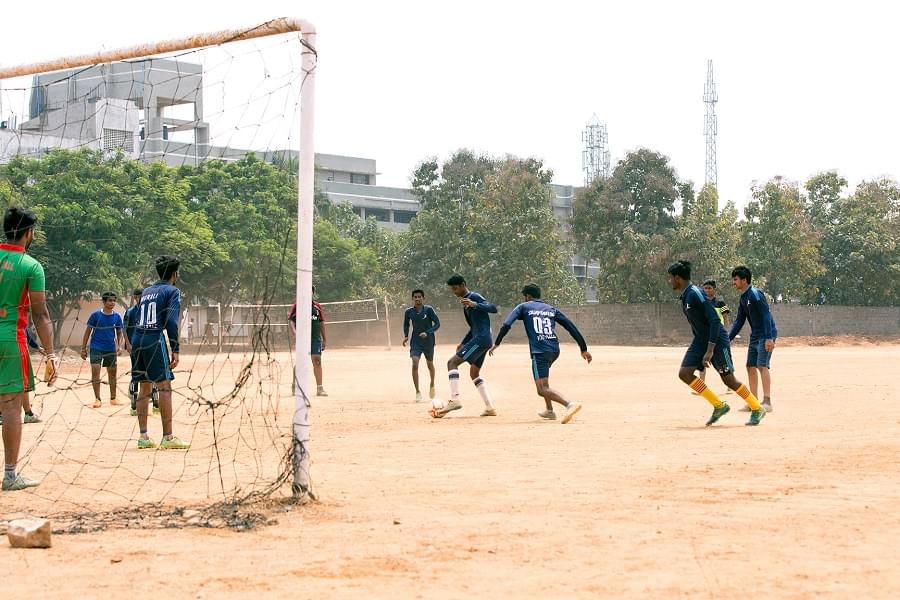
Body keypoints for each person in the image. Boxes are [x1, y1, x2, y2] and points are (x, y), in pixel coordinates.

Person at [666, 260, 765, 427]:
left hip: (717, 340)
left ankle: (757, 408)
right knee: (684, 373)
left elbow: (713, 320)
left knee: (729, 380)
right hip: (700, 341)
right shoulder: (685, 296)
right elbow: (697, 324)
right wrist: (699, 351)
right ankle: (719, 406)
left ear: (678, 278)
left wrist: (710, 349)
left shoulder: (695, 293)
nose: (669, 281)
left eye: (670, 278)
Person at [0, 207, 58, 491]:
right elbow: (41, 314)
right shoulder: (31, 266)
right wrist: (50, 353)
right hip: (10, 339)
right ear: (29, 233)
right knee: (11, 407)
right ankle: (10, 476)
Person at [490, 283, 591, 424]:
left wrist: (497, 343)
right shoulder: (551, 309)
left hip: (540, 351)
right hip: (554, 349)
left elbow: (507, 324)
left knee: (541, 389)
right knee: (544, 381)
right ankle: (549, 410)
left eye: (524, 297)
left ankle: (569, 404)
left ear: (528, 296)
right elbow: (571, 327)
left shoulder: (523, 307)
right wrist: (583, 348)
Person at [130, 256, 190, 450]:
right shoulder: (173, 291)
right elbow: (172, 322)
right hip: (154, 339)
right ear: (174, 274)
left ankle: (143, 436)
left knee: (144, 387)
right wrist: (176, 348)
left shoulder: (147, 291)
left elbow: (136, 316)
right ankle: (168, 437)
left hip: (138, 338)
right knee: (164, 386)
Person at [431, 274, 498, 418]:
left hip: (481, 340)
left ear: (463, 284)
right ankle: (490, 408)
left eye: (455, 288)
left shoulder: (474, 297)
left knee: (452, 362)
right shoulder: (465, 303)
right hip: (482, 339)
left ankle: (455, 400)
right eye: (452, 289)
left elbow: (493, 308)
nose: (454, 292)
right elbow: (473, 326)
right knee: (474, 373)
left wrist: (475, 304)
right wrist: (463, 342)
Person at [729, 265, 778, 413]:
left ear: (744, 280)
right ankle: (753, 402)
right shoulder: (743, 298)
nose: (734, 282)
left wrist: (769, 338)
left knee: (762, 366)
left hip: (766, 334)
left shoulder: (755, 294)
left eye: (736, 279)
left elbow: (765, 316)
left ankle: (767, 402)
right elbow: (739, 321)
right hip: (755, 336)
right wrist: (728, 338)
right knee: (750, 367)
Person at [80, 291, 125, 408]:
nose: (112, 303)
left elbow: (119, 332)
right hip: (96, 347)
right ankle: (97, 399)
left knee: (112, 374)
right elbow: (87, 331)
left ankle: (113, 398)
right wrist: (83, 349)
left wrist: (118, 346)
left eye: (114, 300)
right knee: (96, 372)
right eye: (110, 300)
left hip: (110, 348)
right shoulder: (95, 315)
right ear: (104, 302)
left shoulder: (117, 317)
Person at [288, 284, 328, 397]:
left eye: (310, 292)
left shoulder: (317, 306)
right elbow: (291, 321)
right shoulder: (297, 306)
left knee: (317, 361)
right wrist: (295, 333)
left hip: (315, 339)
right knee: (301, 363)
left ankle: (320, 388)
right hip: (302, 340)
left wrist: (324, 339)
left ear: (312, 293)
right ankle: (295, 386)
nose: (308, 293)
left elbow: (321, 323)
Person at [123, 288, 158, 416]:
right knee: (137, 373)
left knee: (152, 373)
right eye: (139, 297)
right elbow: (124, 329)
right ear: (136, 298)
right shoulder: (131, 312)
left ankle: (156, 404)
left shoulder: (150, 311)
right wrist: (128, 343)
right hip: (135, 347)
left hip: (149, 345)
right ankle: (133, 405)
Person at [402, 289, 440, 402]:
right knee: (414, 363)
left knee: (430, 365)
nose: (417, 299)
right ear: (412, 299)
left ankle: (432, 384)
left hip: (429, 342)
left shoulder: (429, 310)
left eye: (419, 297)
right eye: (415, 297)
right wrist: (405, 336)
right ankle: (418, 392)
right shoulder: (408, 312)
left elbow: (437, 324)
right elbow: (406, 324)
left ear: (423, 298)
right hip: (416, 342)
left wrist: (427, 332)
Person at [697, 279, 732, 388]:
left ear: (714, 289)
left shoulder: (720, 303)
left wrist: (727, 332)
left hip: (719, 336)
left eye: (709, 288)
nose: (707, 290)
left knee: (725, 361)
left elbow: (726, 318)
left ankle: (731, 384)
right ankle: (702, 385)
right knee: (702, 360)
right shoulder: (702, 303)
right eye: (705, 288)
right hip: (707, 336)